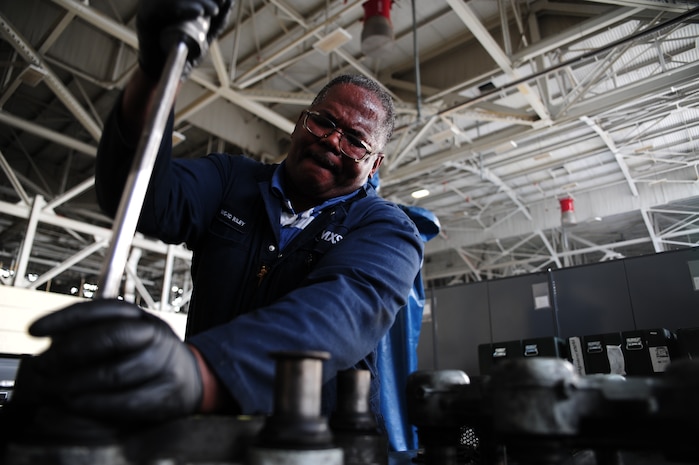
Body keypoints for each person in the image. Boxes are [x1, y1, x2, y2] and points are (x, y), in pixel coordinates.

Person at [4, 0, 423, 436]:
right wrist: (155, 71)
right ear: (300, 123)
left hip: (323, 445)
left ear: (374, 166)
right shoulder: (230, 181)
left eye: (356, 140)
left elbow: (337, 314)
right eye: (323, 122)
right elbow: (137, 196)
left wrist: (194, 373)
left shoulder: (388, 230)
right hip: (207, 438)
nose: (334, 141)